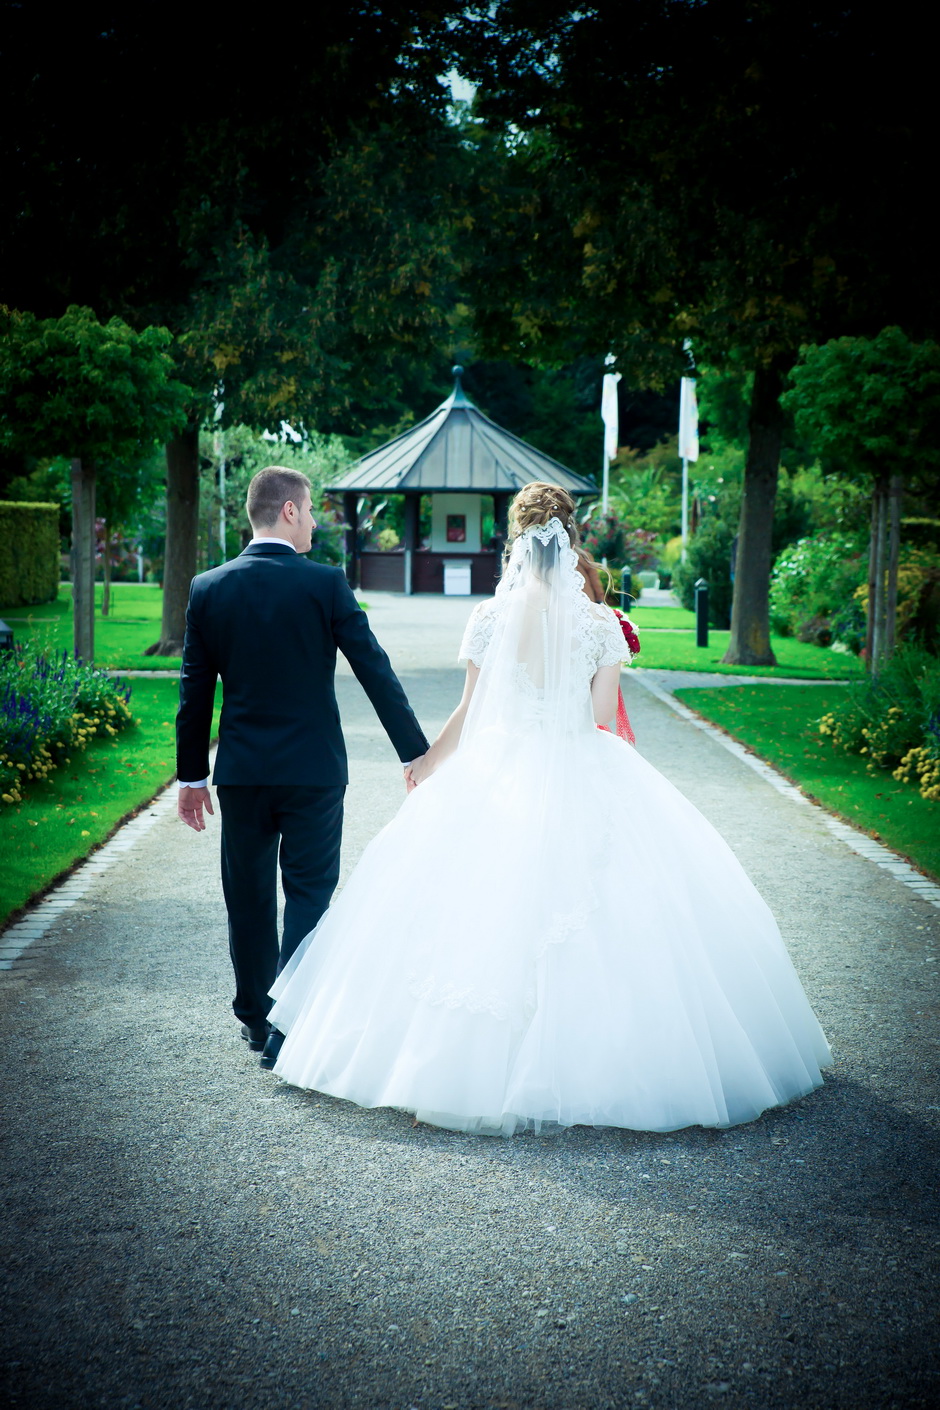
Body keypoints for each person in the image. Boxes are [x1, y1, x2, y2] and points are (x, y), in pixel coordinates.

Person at [267, 481, 830, 1133]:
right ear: (571, 539)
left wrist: (425, 763)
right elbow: (597, 721)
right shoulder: (601, 625)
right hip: (577, 760)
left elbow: (469, 711)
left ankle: (451, 1067)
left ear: (514, 540)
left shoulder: (488, 619)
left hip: (494, 768)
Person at [176, 466, 429, 1070]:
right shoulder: (325, 585)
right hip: (314, 771)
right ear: (288, 511)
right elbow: (374, 667)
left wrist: (191, 777)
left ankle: (257, 1015)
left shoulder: (209, 587)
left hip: (240, 774)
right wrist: (414, 752)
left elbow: (194, 692)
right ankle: (292, 1028)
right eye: (311, 510)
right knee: (311, 894)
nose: (316, 521)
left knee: (249, 896)